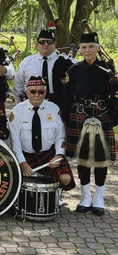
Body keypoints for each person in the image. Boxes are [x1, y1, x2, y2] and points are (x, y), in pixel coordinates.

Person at [62, 32, 117, 216]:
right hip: (79, 115)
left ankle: (99, 198)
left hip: (102, 115)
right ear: (80, 49)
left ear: (98, 48)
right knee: (83, 157)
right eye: (84, 47)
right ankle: (85, 197)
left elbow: (113, 95)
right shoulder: (74, 70)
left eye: (91, 47)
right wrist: (67, 118)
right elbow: (67, 96)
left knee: (101, 159)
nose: (87, 51)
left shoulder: (108, 69)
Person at [9, 76, 75, 194]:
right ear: (26, 92)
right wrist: (22, 163)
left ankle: (55, 194)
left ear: (45, 93)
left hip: (48, 154)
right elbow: (15, 141)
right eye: (33, 91)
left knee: (66, 179)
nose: (37, 95)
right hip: (26, 155)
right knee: (13, 180)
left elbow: (61, 136)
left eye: (41, 91)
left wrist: (59, 155)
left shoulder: (54, 109)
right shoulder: (17, 111)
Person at [13, 30, 75, 106]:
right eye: (42, 42)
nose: (46, 44)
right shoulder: (27, 62)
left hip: (58, 103)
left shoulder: (64, 61)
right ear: (37, 44)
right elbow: (18, 86)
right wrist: (20, 107)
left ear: (54, 44)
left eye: (49, 42)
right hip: (32, 103)